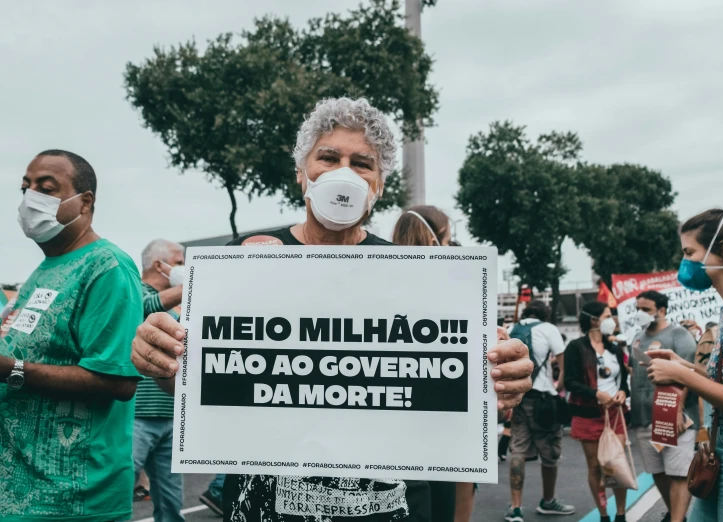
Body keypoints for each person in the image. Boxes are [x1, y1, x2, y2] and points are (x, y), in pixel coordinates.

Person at [129, 97, 535, 522]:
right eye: (328, 157)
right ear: (302, 173)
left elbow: (457, 391)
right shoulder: (243, 260)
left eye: (362, 163)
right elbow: (201, 387)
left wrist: (501, 379)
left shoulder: (416, 276)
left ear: (379, 184)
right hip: (267, 506)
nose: (344, 173)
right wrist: (163, 362)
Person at [0, 150, 143, 522]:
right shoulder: (44, 270)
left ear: (85, 202)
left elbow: (118, 381)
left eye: (46, 188)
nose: (29, 198)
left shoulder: (107, 267)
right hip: (2, 500)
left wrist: (8, 368)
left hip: (62, 500)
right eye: (25, 188)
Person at [645, 208, 723, 521]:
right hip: (717, 452)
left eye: (690, 252)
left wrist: (681, 375)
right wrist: (684, 365)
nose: (685, 263)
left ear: (722, 251)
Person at [392, 205, 471, 522]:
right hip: (441, 429)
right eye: (450, 240)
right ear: (438, 241)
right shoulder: (451, 293)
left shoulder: (375, 283)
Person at [630, 290, 697, 522]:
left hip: (676, 419)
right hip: (644, 418)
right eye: (637, 308)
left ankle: (677, 520)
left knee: (678, 473)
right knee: (656, 471)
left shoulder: (679, 334)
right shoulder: (637, 338)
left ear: (661, 310)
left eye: (645, 309)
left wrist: (678, 410)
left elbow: (690, 373)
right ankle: (675, 515)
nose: (640, 313)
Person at [503, 300, 573, 522]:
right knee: (550, 452)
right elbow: (563, 362)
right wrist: (558, 385)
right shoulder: (548, 329)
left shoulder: (511, 329)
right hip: (543, 399)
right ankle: (548, 500)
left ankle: (515, 508)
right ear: (545, 313)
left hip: (518, 398)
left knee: (518, 451)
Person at [134, 239, 188, 522]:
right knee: (116, 491)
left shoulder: (176, 305)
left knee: (171, 503)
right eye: (179, 262)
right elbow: (145, 306)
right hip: (137, 415)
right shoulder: (134, 291)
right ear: (159, 265)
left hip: (169, 416)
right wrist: (191, 284)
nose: (184, 268)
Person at [564, 301, 630, 522]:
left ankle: (621, 513)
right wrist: (595, 394)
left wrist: (622, 392)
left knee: (616, 464)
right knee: (595, 467)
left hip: (615, 414)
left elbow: (624, 381)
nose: (612, 320)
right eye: (608, 315)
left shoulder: (614, 348)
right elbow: (570, 382)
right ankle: (603, 514)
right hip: (588, 415)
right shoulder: (575, 347)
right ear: (594, 320)